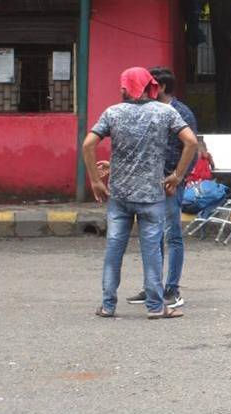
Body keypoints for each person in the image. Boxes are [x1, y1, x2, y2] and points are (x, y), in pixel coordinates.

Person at [83, 67, 197, 319]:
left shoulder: (112, 113)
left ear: (126, 88)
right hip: (151, 196)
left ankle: (107, 305)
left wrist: (95, 181)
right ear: (151, 87)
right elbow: (191, 142)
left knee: (114, 248)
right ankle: (156, 307)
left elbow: (88, 144)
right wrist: (176, 176)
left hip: (120, 196)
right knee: (152, 251)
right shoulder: (165, 112)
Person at [124, 67, 198, 311]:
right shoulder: (149, 111)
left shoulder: (181, 112)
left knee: (172, 235)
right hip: (150, 183)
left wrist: (177, 177)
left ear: (162, 87)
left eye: (152, 85)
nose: (147, 90)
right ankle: (152, 287)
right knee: (152, 236)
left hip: (170, 183)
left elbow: (192, 149)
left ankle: (172, 289)